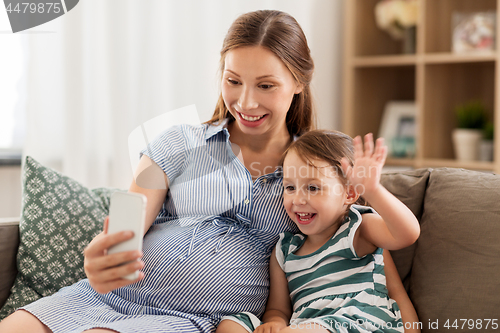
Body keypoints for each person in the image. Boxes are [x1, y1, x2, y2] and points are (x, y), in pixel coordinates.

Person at [0, 10, 418, 333]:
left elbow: (366, 242)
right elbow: (129, 215)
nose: (246, 102)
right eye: (233, 80)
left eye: (266, 86)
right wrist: (106, 251)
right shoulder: (178, 142)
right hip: (105, 296)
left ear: (299, 83)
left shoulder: (317, 173)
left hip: (198, 318)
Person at [217, 130, 420, 333]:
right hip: (302, 326)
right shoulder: (285, 251)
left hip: (356, 323)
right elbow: (278, 309)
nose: (297, 200)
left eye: (313, 188)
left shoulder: (358, 228)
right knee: (231, 324)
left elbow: (407, 234)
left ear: (349, 193)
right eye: (290, 187)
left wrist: (373, 191)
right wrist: (276, 322)